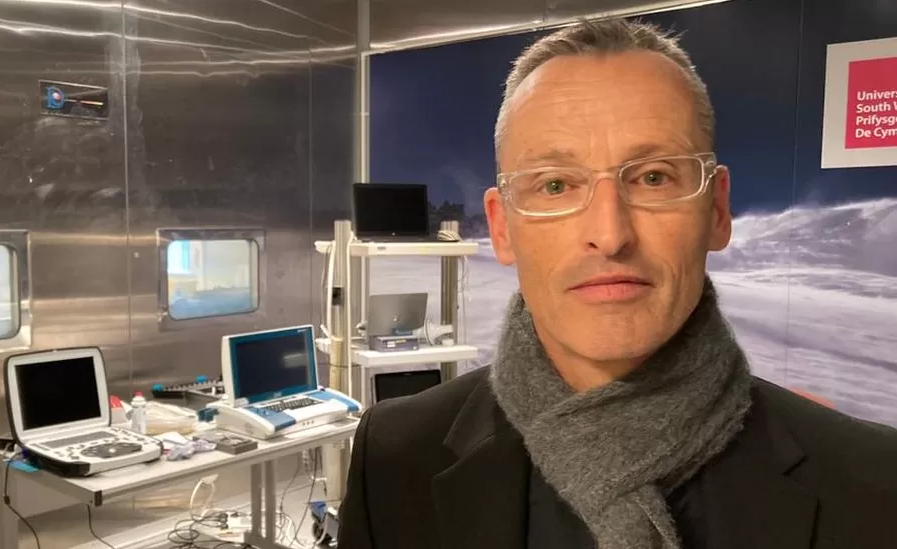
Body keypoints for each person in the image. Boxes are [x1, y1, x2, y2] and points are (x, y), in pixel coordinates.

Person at [337, 17, 897, 549]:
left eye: (654, 177)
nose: (609, 235)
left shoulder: (871, 483)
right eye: (555, 185)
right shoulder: (393, 459)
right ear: (502, 228)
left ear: (717, 211)